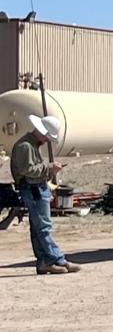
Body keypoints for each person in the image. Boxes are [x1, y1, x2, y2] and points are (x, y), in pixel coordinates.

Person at [12, 116, 77, 275]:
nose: (48, 140)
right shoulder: (25, 146)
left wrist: (48, 171)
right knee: (43, 227)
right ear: (42, 132)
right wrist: (49, 169)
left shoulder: (31, 145)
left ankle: (44, 262)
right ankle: (57, 259)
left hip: (36, 188)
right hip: (33, 189)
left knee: (38, 228)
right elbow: (27, 170)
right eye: (48, 137)